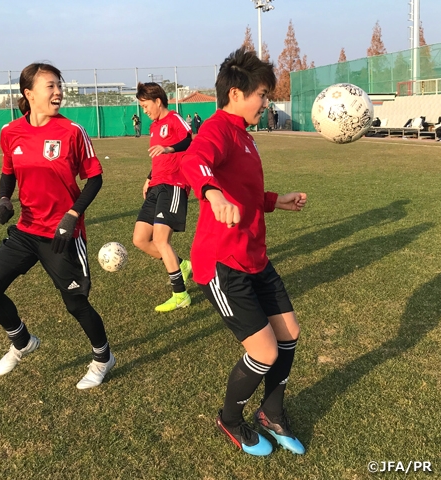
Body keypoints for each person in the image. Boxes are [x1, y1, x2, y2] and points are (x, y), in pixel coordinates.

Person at [180, 47, 307, 456]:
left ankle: (271, 413)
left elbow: (248, 192)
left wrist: (276, 200)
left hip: (256, 258)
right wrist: (212, 193)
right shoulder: (216, 129)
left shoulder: (244, 137)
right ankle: (229, 419)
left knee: (289, 335)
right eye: (263, 95)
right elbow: (194, 161)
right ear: (236, 94)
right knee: (264, 350)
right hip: (222, 263)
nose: (265, 103)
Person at [0, 62, 115, 390]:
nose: (58, 92)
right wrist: (4, 199)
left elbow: (94, 178)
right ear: (29, 94)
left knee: (76, 304)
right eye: (50, 86)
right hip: (26, 229)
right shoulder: (11, 132)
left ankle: (103, 358)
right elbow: (8, 170)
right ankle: (22, 341)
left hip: (62, 234)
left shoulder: (72, 131)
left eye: (59, 86)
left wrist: (72, 216)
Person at [133, 82, 193, 312]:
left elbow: (189, 140)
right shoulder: (153, 127)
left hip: (174, 184)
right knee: (140, 239)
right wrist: (149, 177)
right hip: (156, 185)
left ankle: (180, 295)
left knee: (160, 239)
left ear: (158, 101)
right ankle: (182, 266)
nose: (144, 110)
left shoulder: (174, 119)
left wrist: (169, 149)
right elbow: (157, 158)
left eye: (146, 105)